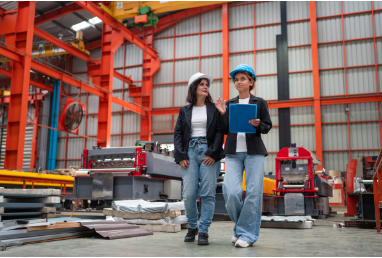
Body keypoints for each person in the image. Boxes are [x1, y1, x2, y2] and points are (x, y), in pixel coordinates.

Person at [215, 64, 272, 248]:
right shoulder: (230, 104)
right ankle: (241, 228)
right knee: (231, 192)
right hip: (232, 153)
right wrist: (223, 114)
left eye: (243, 79)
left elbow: (267, 126)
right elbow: (224, 129)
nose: (239, 82)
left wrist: (257, 124)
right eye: (236, 79)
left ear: (251, 82)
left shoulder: (260, 102)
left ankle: (246, 235)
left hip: (254, 152)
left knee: (253, 194)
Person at [174, 72, 224, 245]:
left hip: (208, 152)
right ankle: (192, 226)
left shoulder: (213, 109)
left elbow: (220, 132)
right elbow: (178, 134)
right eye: (202, 84)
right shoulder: (184, 110)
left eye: (207, 85)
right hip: (189, 152)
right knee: (188, 194)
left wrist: (213, 153)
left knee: (208, 194)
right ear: (193, 88)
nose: (205, 87)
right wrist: (180, 155)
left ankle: (203, 230)